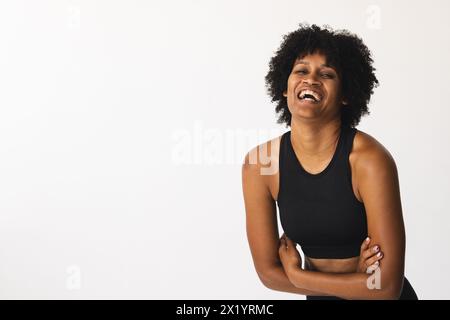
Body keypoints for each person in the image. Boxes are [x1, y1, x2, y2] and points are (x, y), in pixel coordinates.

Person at [242, 24, 418, 300]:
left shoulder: (369, 161)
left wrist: (298, 275)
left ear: (346, 95)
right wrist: (356, 282)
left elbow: (385, 288)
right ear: (285, 88)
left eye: (326, 74)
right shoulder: (260, 165)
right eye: (301, 70)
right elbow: (268, 273)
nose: (310, 79)